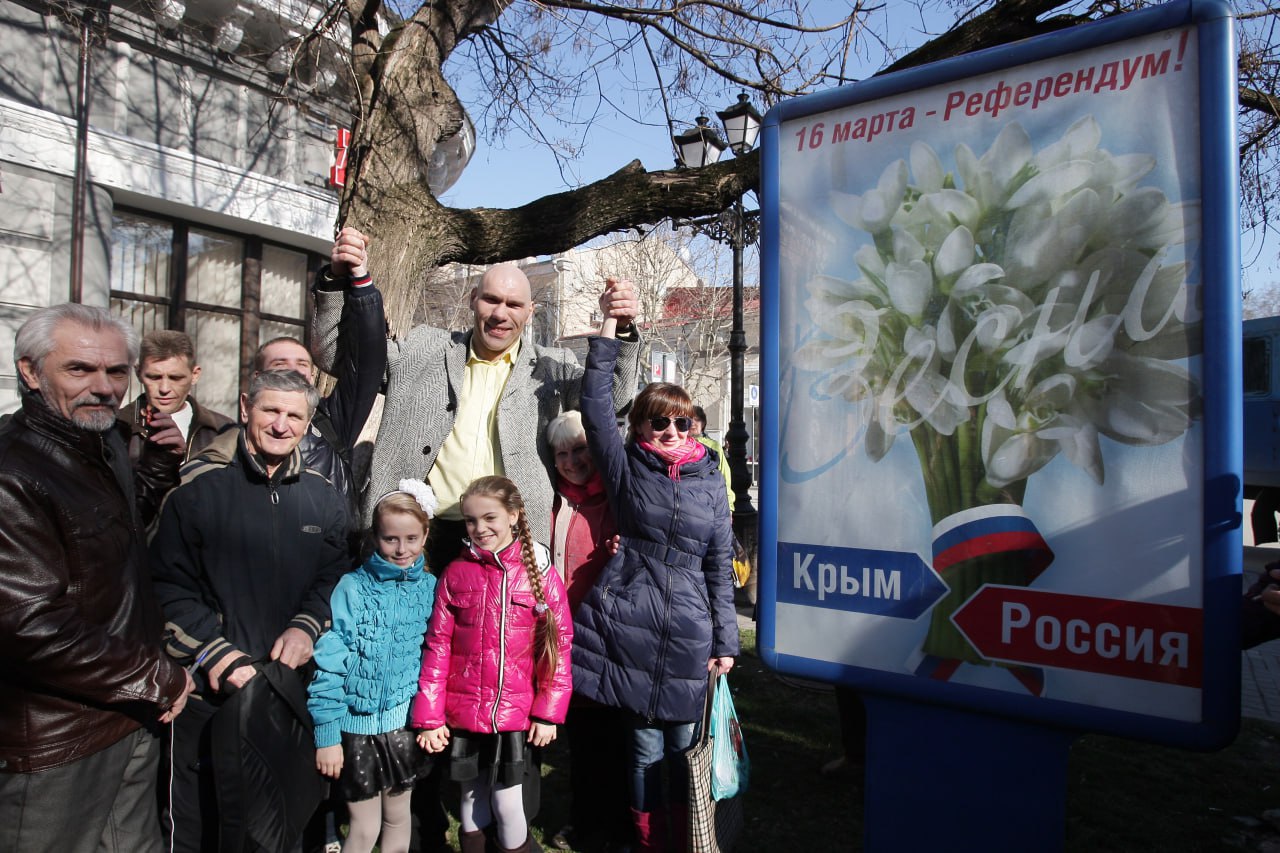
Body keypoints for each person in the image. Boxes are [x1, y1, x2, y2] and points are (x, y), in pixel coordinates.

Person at [0, 303, 195, 852]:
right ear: (31, 372)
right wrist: (158, 677)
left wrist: (157, 468)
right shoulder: (13, 473)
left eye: (116, 371)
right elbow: (29, 626)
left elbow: (112, 535)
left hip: (129, 714)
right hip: (58, 740)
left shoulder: (100, 439)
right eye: (80, 369)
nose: (104, 387)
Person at [311, 263, 644, 569]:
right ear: (473, 299)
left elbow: (612, 402)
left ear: (530, 312)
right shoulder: (422, 349)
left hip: (508, 542)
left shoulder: (552, 367)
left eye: (513, 305)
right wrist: (336, 280)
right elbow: (334, 356)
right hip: (412, 535)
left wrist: (622, 329)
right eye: (491, 300)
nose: (500, 314)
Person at [151, 368, 351, 851]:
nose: (281, 425)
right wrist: (213, 653)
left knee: (283, 826)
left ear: (307, 423)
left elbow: (336, 577)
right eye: (270, 411)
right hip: (211, 690)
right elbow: (164, 585)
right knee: (201, 830)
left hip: (289, 691)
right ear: (245, 408)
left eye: (294, 416)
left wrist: (307, 626)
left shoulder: (323, 497)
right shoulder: (197, 490)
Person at [572, 324, 739, 853]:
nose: (671, 431)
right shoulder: (626, 469)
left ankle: (688, 840)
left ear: (692, 426)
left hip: (690, 630)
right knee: (644, 751)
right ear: (642, 425)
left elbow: (719, 565)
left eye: (681, 422)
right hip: (632, 624)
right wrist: (608, 332)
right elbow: (596, 410)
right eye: (659, 421)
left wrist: (726, 641)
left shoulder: (710, 482)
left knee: (686, 750)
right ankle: (650, 843)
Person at [412, 476, 574, 853]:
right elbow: (437, 647)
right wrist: (430, 717)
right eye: (470, 520)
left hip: (514, 717)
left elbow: (558, 647)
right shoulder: (455, 574)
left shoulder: (539, 576)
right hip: (463, 713)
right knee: (470, 806)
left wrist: (548, 713)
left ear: (513, 515)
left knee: (507, 805)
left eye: (489, 518)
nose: (480, 528)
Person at [308, 479, 441, 853]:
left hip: (403, 727)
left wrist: (431, 716)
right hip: (355, 730)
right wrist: (327, 734)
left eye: (411, 539)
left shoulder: (431, 587)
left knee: (398, 818)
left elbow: (435, 657)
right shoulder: (352, 587)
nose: (401, 549)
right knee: (364, 829)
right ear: (375, 537)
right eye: (390, 539)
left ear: (425, 535)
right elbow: (330, 661)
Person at [255, 226, 387, 541]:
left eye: (302, 365)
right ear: (256, 381)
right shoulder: (231, 443)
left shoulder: (331, 425)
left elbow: (367, 361)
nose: (293, 373)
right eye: (280, 366)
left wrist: (355, 280)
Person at [545, 411, 630, 852]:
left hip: (610, 639)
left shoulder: (618, 498)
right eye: (561, 454)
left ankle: (620, 824)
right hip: (568, 639)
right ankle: (584, 822)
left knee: (615, 738)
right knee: (581, 740)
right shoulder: (552, 502)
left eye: (579, 449)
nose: (572, 461)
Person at [118, 329, 234, 465]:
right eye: (154, 377)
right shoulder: (115, 428)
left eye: (175, 378)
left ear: (195, 375)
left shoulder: (225, 430)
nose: (164, 389)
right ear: (138, 373)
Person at [691, 405, 733, 512]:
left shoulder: (714, 446)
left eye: (697, 419)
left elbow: (725, 476)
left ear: (703, 423)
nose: (693, 422)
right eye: (690, 418)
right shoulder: (679, 444)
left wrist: (729, 507)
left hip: (710, 502)